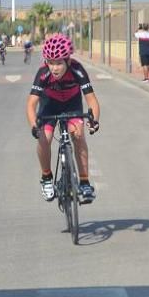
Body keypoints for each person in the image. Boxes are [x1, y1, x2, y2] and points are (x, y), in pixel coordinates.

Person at [25, 33, 101, 204]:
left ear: (68, 61)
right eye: (50, 62)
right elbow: (31, 104)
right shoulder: (43, 74)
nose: (54, 68)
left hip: (71, 105)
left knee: (79, 134)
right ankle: (46, 178)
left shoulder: (78, 70)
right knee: (45, 138)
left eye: (59, 62)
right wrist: (33, 126)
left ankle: (84, 182)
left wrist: (94, 120)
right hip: (49, 105)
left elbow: (92, 100)